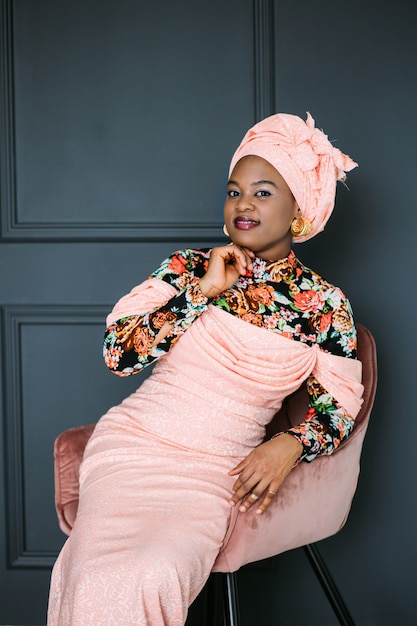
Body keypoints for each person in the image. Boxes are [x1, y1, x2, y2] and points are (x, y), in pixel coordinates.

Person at [48, 112, 364, 625]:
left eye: (263, 193)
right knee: (92, 574)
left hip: (215, 471)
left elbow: (343, 401)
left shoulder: (324, 307)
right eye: (234, 190)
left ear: (299, 212)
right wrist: (200, 294)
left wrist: (290, 443)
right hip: (134, 446)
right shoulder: (187, 268)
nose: (243, 204)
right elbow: (118, 356)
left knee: (156, 572)